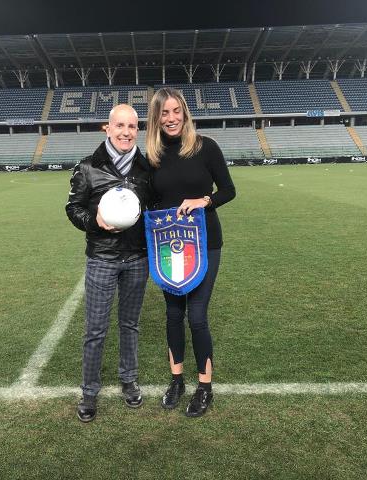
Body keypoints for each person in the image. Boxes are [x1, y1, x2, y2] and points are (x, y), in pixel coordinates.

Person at [146, 87, 235, 417]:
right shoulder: (152, 157)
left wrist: (204, 200)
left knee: (197, 315)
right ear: (156, 119)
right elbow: (148, 201)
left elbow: (229, 190)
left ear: (184, 112)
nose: (171, 118)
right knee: (173, 315)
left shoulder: (205, 147)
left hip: (205, 243)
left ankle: (205, 387)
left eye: (176, 111)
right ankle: (176, 381)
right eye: (164, 113)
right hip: (168, 245)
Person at [66, 104, 152, 423]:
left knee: (130, 324)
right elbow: (73, 208)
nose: (126, 132)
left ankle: (128, 380)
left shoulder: (147, 168)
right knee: (95, 328)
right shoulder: (88, 166)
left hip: (137, 257)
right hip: (102, 257)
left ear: (137, 130)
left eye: (132, 126)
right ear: (108, 128)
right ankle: (89, 392)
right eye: (120, 126)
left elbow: (154, 208)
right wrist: (95, 221)